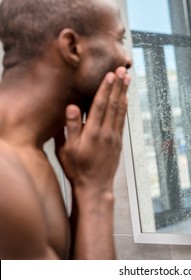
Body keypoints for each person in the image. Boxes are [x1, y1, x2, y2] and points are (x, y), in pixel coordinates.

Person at [0, 0, 132, 259]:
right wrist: (96, 190)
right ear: (72, 47)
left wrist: (84, 184)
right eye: (119, 39)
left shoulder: (28, 152)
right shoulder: (4, 175)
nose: (126, 59)